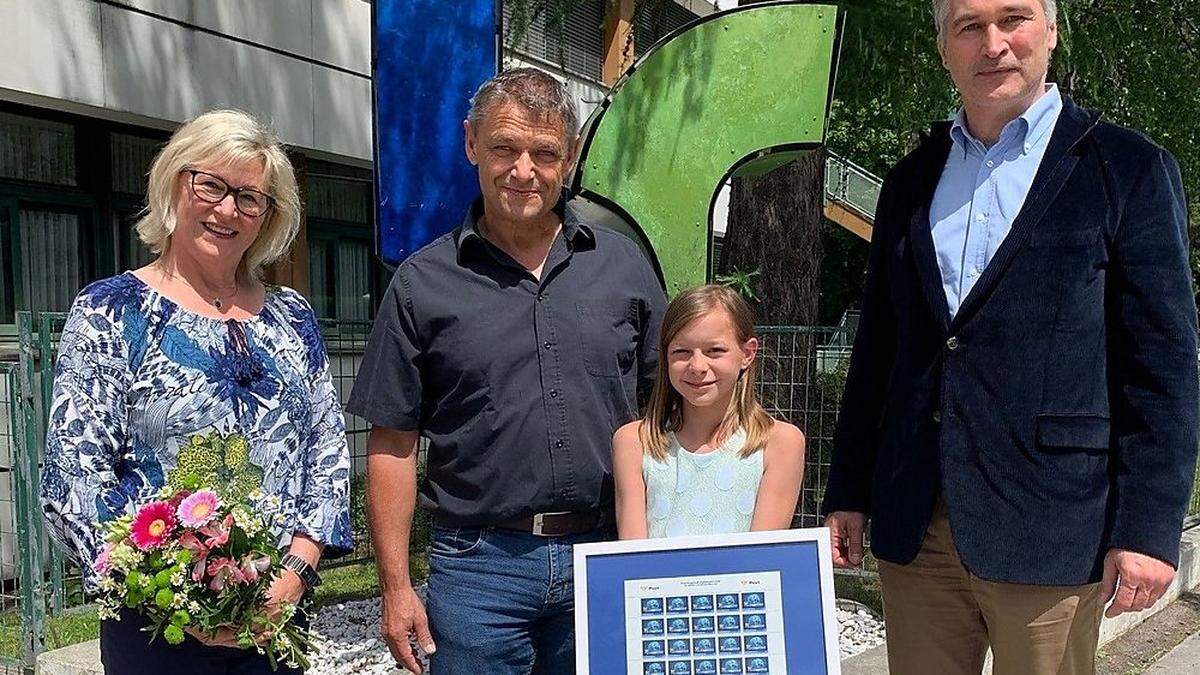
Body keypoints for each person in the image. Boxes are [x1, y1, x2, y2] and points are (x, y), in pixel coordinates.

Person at [821, 1, 1199, 673]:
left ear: (1051, 30)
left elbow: (1162, 368)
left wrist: (1147, 526)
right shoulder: (912, 180)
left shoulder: (1127, 169)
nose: (993, 44)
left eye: (1013, 19)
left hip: (1053, 524)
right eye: (969, 26)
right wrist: (847, 488)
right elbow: (878, 349)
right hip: (918, 520)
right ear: (944, 49)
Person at [346, 67, 666, 674]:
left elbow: (667, 412)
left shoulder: (624, 268)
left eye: (545, 153)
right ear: (471, 143)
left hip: (609, 553)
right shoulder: (421, 284)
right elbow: (392, 442)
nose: (524, 170)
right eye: (504, 148)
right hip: (476, 571)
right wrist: (395, 586)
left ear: (569, 158)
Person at [39, 109, 353, 674]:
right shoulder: (111, 312)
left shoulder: (291, 317)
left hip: (275, 619)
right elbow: (73, 477)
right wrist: (177, 587)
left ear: (267, 217)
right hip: (159, 623)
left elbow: (326, 455)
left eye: (250, 198)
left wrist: (295, 575)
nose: (227, 209)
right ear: (174, 184)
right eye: (210, 184)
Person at [613, 285, 806, 539]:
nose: (697, 366)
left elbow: (761, 561)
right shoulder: (634, 442)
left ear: (747, 353)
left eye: (715, 351)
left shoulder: (780, 444)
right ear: (665, 356)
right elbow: (633, 558)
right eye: (681, 351)